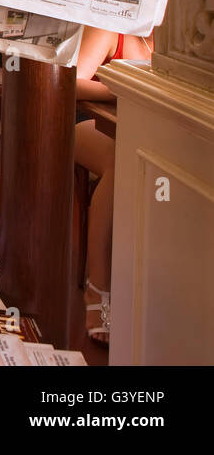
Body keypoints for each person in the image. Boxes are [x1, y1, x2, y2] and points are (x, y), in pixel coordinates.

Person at [73, 25, 154, 345]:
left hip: (137, 130)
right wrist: (119, 91)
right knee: (121, 161)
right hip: (83, 123)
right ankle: (98, 286)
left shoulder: (179, 52)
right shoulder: (111, 32)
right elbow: (71, 82)